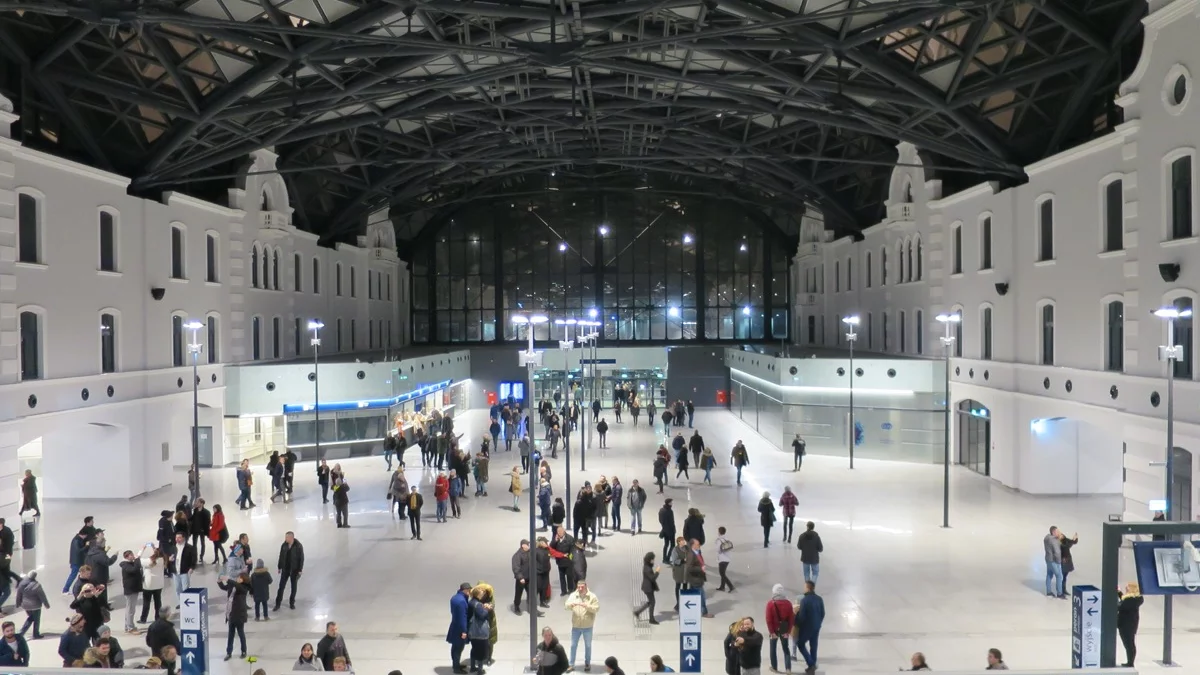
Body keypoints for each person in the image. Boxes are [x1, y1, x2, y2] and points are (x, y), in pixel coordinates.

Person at [565, 580, 600, 672]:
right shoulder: (573, 595)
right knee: (573, 645)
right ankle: (571, 664)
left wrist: (587, 606)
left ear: (586, 586)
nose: (580, 589)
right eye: (578, 587)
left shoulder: (592, 597)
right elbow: (566, 605)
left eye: (582, 587)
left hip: (587, 626)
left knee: (588, 645)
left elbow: (596, 608)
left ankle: (587, 663)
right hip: (576, 626)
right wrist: (570, 605)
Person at [216, 573, 250, 660]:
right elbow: (224, 587)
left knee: (241, 633)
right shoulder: (233, 585)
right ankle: (229, 652)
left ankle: (243, 651)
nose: (238, 578)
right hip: (231, 614)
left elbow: (237, 586)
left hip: (239, 615)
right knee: (230, 634)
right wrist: (219, 581)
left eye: (240, 578)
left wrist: (227, 579)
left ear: (243, 579)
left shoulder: (244, 588)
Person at [794, 581, 824, 675]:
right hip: (817, 626)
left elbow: (802, 617)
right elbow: (823, 613)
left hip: (807, 627)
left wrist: (796, 619)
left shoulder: (804, 600)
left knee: (800, 644)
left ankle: (811, 664)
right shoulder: (819, 599)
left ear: (808, 588)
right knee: (813, 646)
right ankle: (812, 667)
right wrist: (819, 623)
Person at [765, 585, 794, 674]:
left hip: (774, 628)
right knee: (786, 649)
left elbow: (768, 619)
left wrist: (772, 632)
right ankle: (788, 669)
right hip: (784, 628)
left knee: (773, 648)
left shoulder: (770, 604)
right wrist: (788, 631)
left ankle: (774, 667)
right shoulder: (788, 603)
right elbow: (791, 619)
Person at [466, 584, 493, 674]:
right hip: (479, 632)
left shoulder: (471, 602)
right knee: (481, 651)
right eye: (482, 593)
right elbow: (482, 616)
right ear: (477, 594)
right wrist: (487, 609)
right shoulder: (477, 605)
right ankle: (480, 670)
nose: (483, 594)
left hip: (472, 631)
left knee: (474, 649)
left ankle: (472, 667)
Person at [119, 548, 146, 634]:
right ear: (127, 557)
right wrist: (137, 559)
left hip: (134, 589)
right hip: (130, 590)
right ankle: (130, 627)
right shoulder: (125, 565)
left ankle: (128, 626)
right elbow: (133, 570)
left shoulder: (131, 563)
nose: (133, 556)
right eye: (131, 555)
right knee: (130, 610)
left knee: (130, 609)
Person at [275, 531, 304, 612]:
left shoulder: (298, 546)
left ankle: (292, 603)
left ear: (291, 538)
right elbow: (281, 556)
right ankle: (277, 604)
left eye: (287, 537)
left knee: (293, 587)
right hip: (285, 569)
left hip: (294, 570)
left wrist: (300, 569)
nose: (285, 539)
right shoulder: (284, 545)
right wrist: (279, 567)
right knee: (281, 587)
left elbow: (301, 558)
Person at [685, 538, 714, 618]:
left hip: (697, 578)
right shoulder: (691, 555)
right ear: (693, 545)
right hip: (695, 579)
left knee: (694, 595)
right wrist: (700, 569)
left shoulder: (697, 552)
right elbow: (689, 568)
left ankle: (692, 610)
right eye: (697, 544)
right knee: (702, 596)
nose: (699, 545)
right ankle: (704, 612)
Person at [15, 571, 48, 639]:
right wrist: (46, 604)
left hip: (26, 605)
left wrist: (18, 603)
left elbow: (19, 595)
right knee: (36, 620)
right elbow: (42, 596)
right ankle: (35, 634)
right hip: (36, 606)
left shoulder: (21, 584)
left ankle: (21, 633)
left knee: (31, 618)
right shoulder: (37, 585)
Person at [1117, 582, 1143, 667]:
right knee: (1129, 644)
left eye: (1127, 588)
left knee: (1129, 644)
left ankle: (1130, 662)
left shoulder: (1131, 600)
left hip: (1126, 625)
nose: (1126, 589)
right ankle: (1130, 662)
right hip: (1130, 624)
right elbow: (1124, 600)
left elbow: (1121, 606)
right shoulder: (1134, 599)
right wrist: (1119, 592)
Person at [448, 583, 471, 674]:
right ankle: (456, 668)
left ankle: (456, 664)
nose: (470, 592)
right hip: (460, 629)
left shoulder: (455, 598)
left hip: (454, 625)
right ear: (465, 590)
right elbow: (462, 618)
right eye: (469, 590)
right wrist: (464, 631)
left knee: (455, 647)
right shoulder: (462, 601)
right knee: (458, 648)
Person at [139, 548, 166, 623]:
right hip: (159, 584)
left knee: (146, 602)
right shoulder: (163, 559)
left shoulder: (149, 561)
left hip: (149, 584)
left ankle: (143, 619)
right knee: (158, 602)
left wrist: (142, 550)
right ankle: (158, 618)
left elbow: (138, 559)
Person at [633, 552, 660, 624]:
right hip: (648, 588)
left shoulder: (647, 565)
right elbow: (652, 578)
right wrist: (657, 572)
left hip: (648, 587)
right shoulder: (647, 568)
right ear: (649, 559)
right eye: (653, 559)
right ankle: (651, 619)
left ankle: (638, 612)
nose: (654, 560)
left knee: (651, 601)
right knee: (652, 602)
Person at [64, 530, 90, 594]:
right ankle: (65, 589)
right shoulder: (76, 541)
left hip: (78, 561)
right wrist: (86, 546)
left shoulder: (78, 539)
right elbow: (79, 551)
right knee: (73, 575)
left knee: (82, 573)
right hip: (76, 562)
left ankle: (83, 586)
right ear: (83, 535)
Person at [1044, 525, 1064, 598]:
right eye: (1057, 531)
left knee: (1049, 575)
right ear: (1053, 532)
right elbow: (1057, 552)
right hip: (1053, 561)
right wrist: (1059, 562)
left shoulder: (1046, 538)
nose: (1058, 532)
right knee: (1059, 576)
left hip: (1048, 560)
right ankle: (1059, 593)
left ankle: (1048, 592)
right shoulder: (1054, 540)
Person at [512, 540, 533, 615]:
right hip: (522, 579)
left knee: (531, 593)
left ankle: (531, 607)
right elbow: (516, 568)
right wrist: (520, 578)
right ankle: (516, 606)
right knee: (518, 593)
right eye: (527, 545)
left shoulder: (529, 553)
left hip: (529, 577)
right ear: (523, 545)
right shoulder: (517, 555)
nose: (528, 546)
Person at [716, 526, 735, 592]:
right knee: (723, 573)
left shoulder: (719, 540)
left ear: (719, 532)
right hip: (728, 558)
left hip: (722, 559)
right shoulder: (727, 538)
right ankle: (722, 586)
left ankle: (731, 586)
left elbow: (718, 550)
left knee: (722, 574)